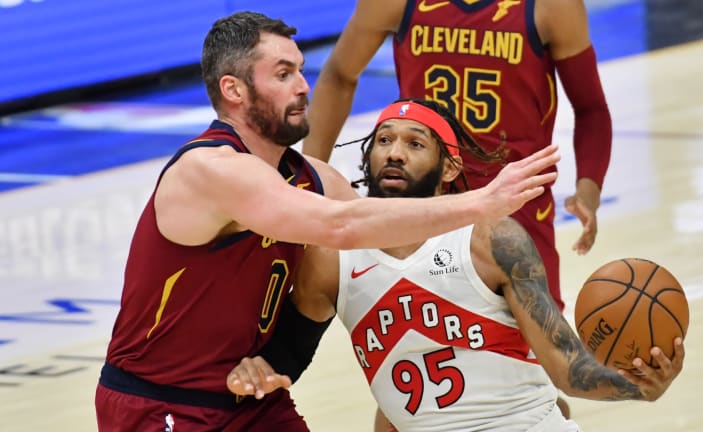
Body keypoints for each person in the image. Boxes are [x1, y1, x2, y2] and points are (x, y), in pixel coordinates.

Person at [93, 12, 561, 432]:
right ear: (234, 90)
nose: (303, 86)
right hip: (162, 401)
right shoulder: (210, 169)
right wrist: (481, 203)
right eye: (283, 74)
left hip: (253, 397)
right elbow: (341, 226)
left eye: (301, 69)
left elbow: (385, 242)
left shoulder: (312, 178)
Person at [228, 99, 684, 432]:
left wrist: (637, 385)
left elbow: (569, 369)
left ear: (449, 169)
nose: (394, 153)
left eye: (414, 143)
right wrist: (255, 369)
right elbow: (287, 356)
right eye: (384, 140)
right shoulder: (331, 259)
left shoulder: (490, 239)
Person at [301, 0, 612, 416]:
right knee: (409, 375)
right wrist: (311, 180)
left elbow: (591, 107)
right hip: (422, 214)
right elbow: (340, 73)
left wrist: (589, 187)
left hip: (514, 220)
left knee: (539, 378)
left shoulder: (550, 7)